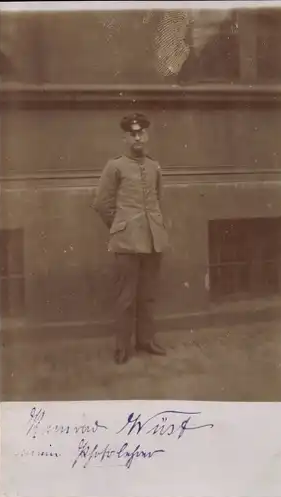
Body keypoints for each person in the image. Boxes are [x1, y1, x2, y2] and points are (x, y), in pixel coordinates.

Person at [93, 112, 169, 364]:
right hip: (126, 242)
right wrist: (119, 226)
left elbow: (157, 199)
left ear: (147, 135)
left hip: (152, 239)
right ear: (125, 138)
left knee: (148, 295)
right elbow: (102, 203)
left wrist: (154, 229)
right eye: (132, 134)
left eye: (141, 133)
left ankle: (146, 340)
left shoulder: (154, 166)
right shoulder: (115, 166)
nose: (138, 137)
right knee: (125, 297)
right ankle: (122, 347)